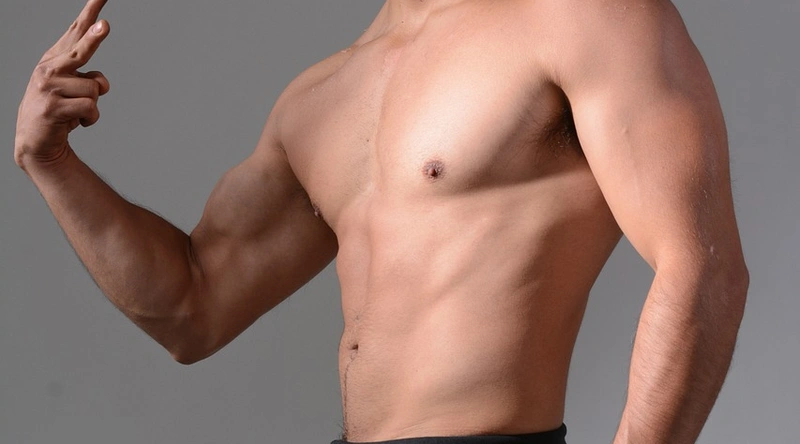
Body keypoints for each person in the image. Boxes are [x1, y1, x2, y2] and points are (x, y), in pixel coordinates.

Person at [14, 0, 750, 443]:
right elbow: (192, 306)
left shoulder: (582, 17)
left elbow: (702, 267)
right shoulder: (322, 94)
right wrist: (52, 164)